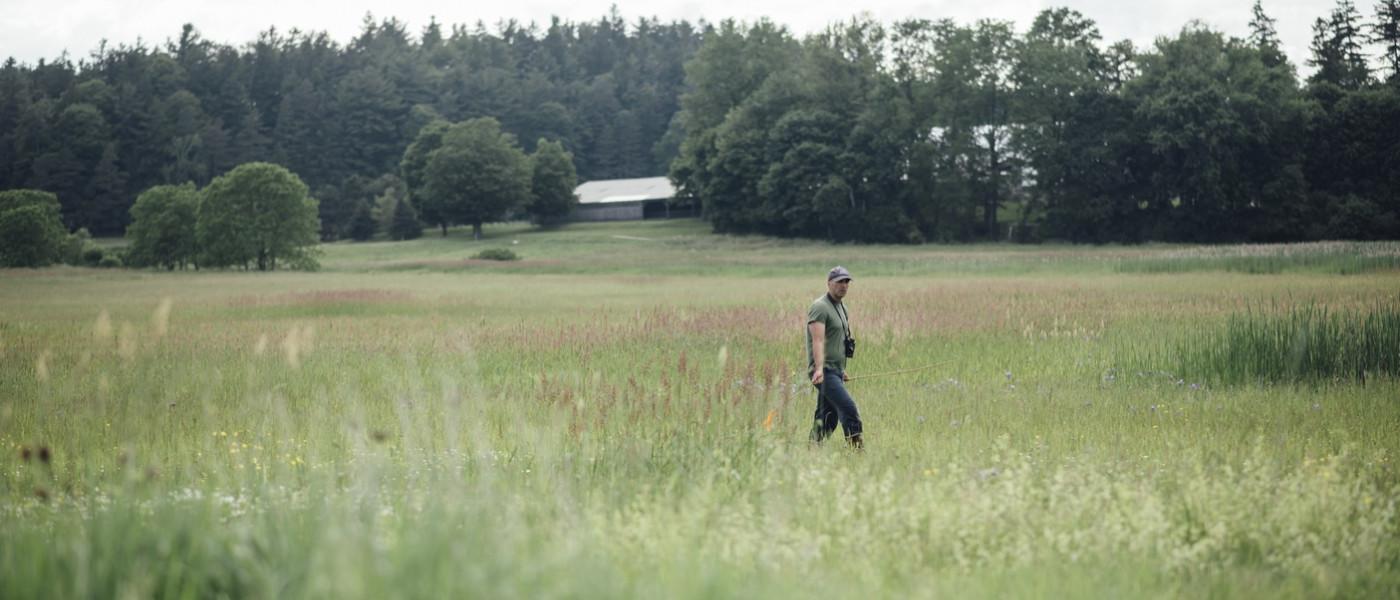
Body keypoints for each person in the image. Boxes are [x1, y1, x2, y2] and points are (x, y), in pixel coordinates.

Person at [806, 265, 862, 448]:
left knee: (828, 416)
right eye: (839, 282)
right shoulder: (820, 307)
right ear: (829, 283)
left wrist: (841, 369)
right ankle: (857, 450)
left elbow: (838, 340)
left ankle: (812, 449)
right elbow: (818, 341)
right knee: (848, 408)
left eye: (846, 281)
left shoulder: (842, 307)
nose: (844, 285)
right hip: (823, 372)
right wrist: (820, 369)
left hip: (835, 370)